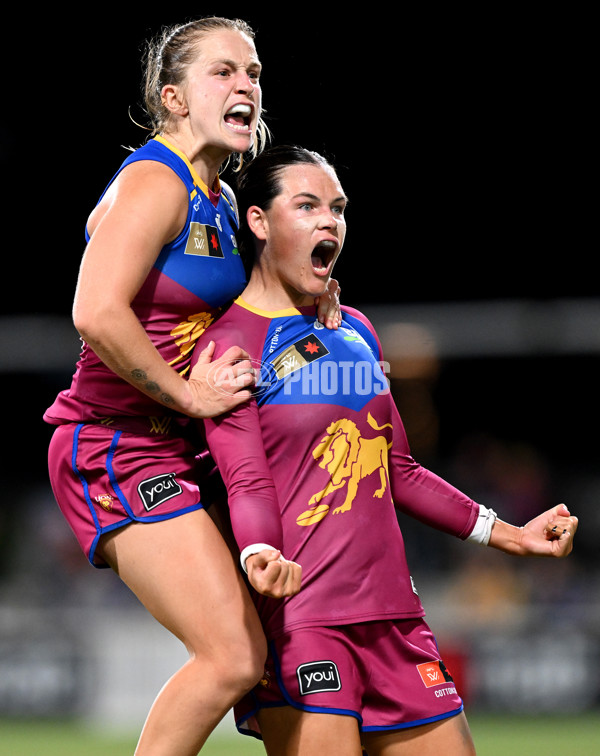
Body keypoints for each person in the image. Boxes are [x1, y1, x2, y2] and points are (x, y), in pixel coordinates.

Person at [192, 145, 579, 756]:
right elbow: (246, 481)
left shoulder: (357, 331)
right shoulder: (229, 347)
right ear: (259, 222)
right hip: (305, 616)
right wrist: (259, 550)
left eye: (338, 209)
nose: (329, 222)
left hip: (395, 615)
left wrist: (511, 534)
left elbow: (399, 468)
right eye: (307, 205)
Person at [43, 19, 338, 756]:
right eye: (224, 72)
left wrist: (307, 300)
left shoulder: (221, 200)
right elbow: (94, 312)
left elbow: (230, 325)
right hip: (113, 448)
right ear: (172, 98)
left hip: (174, 450)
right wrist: (186, 395)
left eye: (255, 73)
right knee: (232, 656)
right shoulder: (155, 180)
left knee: (291, 625)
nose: (247, 86)